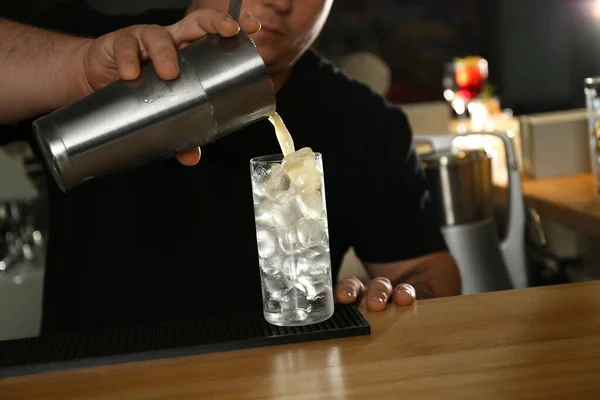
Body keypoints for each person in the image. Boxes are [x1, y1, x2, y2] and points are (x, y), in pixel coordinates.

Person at [1, 0, 461, 335]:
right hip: (91, 379)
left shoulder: (365, 121)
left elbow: (428, 269)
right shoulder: (103, 50)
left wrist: (400, 296)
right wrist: (77, 69)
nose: (280, 3)